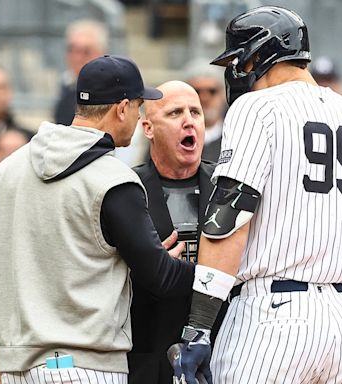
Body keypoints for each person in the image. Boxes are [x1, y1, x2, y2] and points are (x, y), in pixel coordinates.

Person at [170, 6, 342, 384]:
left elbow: (230, 220)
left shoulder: (257, 108)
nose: (237, 72)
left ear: (259, 55)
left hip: (271, 316)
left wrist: (198, 326)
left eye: (239, 62)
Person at [0, 55, 195, 384]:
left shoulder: (11, 166)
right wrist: (204, 270)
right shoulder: (114, 177)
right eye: (139, 106)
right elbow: (161, 279)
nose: (139, 114)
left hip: (17, 368)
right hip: (83, 367)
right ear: (122, 108)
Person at [128, 80, 218, 383]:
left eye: (196, 112)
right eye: (175, 113)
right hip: (147, 355)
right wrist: (147, 265)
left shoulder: (226, 186)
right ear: (148, 128)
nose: (189, 120)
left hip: (218, 354)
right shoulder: (125, 188)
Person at [53, 19, 108, 126]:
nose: (77, 57)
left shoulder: (111, 91)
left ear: (101, 54)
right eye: (72, 49)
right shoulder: (66, 83)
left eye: (86, 51)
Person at [184, 58, 226, 163]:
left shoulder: (237, 137)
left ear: (223, 94)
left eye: (212, 91)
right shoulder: (171, 138)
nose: (204, 98)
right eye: (197, 91)